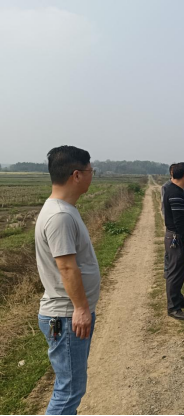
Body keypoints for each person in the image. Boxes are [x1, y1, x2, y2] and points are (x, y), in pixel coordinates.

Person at [35, 146, 99, 415]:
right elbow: (67, 267)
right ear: (76, 175)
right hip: (66, 316)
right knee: (69, 389)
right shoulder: (60, 215)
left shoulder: (64, 209)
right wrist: (81, 309)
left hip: (67, 315)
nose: (92, 175)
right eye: (90, 170)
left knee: (70, 387)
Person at [163, 162, 184, 321]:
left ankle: (178, 298)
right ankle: (173, 307)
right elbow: (179, 221)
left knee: (180, 271)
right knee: (175, 273)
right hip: (176, 238)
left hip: (177, 237)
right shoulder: (175, 192)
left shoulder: (176, 190)